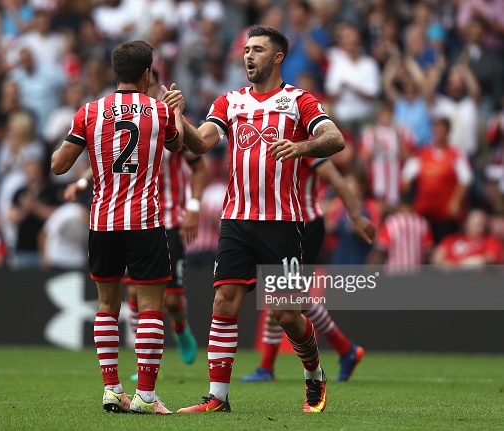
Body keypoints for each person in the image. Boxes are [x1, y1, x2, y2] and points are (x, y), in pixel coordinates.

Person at [162, 26, 346, 413]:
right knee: (224, 300)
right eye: (246, 49)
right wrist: (178, 117)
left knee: (286, 314)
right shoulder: (230, 101)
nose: (248, 56)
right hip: (236, 220)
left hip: (282, 222)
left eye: (258, 50)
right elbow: (201, 143)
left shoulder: (299, 100)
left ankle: (314, 374)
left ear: (277, 58)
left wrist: (301, 146)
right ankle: (217, 398)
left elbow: (335, 138)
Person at [51, 40, 183, 415]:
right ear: (146, 74)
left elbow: (59, 166)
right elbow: (179, 146)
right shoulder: (159, 111)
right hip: (145, 220)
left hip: (103, 221)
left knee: (106, 306)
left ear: (115, 72)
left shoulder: (89, 111)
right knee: (151, 308)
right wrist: (177, 112)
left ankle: (112, 390)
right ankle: (145, 396)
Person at [63, 69, 208, 370]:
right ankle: (141, 368)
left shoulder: (167, 118)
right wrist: (81, 182)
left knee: (170, 301)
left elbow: (199, 165)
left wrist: (193, 207)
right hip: (129, 219)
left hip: (167, 219)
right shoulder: (126, 119)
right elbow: (115, 159)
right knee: (132, 293)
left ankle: (180, 328)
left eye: (153, 86)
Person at [241, 158, 375, 383]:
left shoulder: (305, 143)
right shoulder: (276, 135)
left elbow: (335, 178)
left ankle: (268, 366)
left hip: (304, 226)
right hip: (281, 225)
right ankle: (345, 349)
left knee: (285, 297)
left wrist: (356, 216)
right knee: (283, 296)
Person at [401, 118, 473, 243]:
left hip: (445, 214)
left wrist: (455, 202)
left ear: (448, 132)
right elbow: (406, 177)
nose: (439, 133)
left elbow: (466, 179)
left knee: (444, 243)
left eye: (442, 130)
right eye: (437, 130)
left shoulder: (455, 153)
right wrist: (408, 202)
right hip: (423, 211)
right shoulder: (422, 153)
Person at [431, 209, 503, 266]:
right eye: (475, 223)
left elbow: (489, 259)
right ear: (466, 223)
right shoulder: (451, 239)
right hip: (450, 278)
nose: (478, 227)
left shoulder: (491, 240)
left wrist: (458, 266)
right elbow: (436, 259)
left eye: (481, 223)